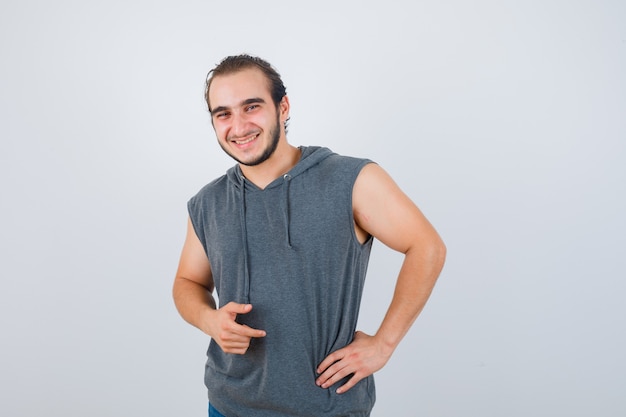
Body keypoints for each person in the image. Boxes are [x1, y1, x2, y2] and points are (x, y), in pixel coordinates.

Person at [173, 54, 446, 417]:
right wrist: (209, 319)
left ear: (282, 106)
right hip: (228, 405)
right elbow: (187, 281)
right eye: (223, 113)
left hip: (327, 407)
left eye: (251, 107)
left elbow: (427, 246)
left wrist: (384, 344)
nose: (238, 126)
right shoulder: (208, 202)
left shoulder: (350, 180)